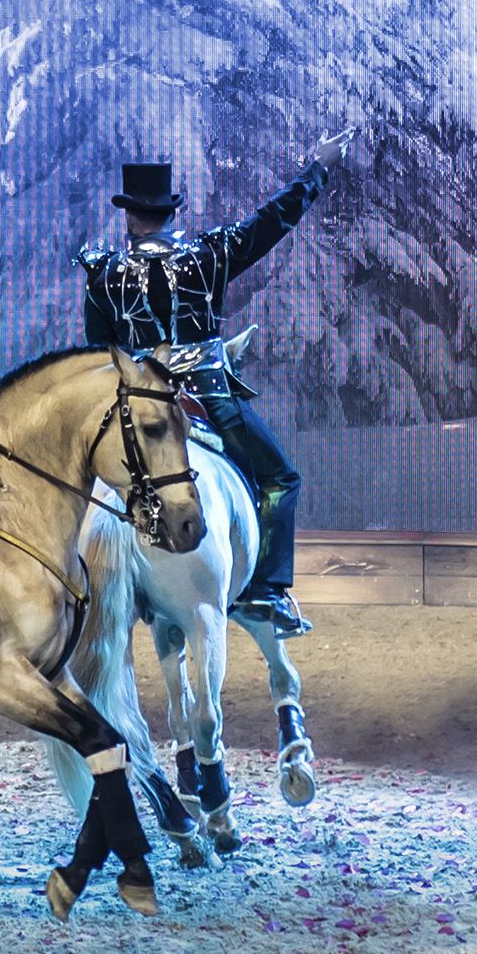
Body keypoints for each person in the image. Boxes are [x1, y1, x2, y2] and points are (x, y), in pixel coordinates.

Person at [77, 156, 330, 632]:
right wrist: (315, 172)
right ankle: (266, 591)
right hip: (209, 399)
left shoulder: (103, 275)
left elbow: (99, 352)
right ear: (171, 212)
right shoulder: (207, 257)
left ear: (129, 217)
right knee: (280, 480)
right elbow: (270, 222)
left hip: (139, 413)